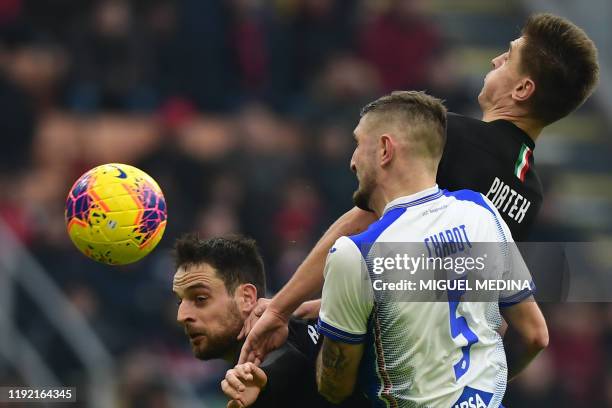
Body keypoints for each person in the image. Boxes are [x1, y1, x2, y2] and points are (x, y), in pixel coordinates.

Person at [238, 12, 599, 366]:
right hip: (437, 366)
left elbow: (360, 224)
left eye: (508, 57)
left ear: (522, 89)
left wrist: (282, 307)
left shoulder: (451, 135)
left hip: (379, 356)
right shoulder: (529, 195)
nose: (495, 59)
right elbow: (457, 287)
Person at [313, 90, 548, 405]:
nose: (352, 161)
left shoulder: (357, 254)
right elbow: (535, 336)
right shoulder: (482, 213)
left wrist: (330, 323)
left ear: (384, 149)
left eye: (358, 144)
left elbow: (334, 386)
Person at [172, 233, 368, 407]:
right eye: (180, 301)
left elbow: (289, 361)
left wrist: (265, 381)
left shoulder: (278, 343)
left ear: (247, 298)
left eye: (200, 298)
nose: (181, 316)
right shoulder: (307, 321)